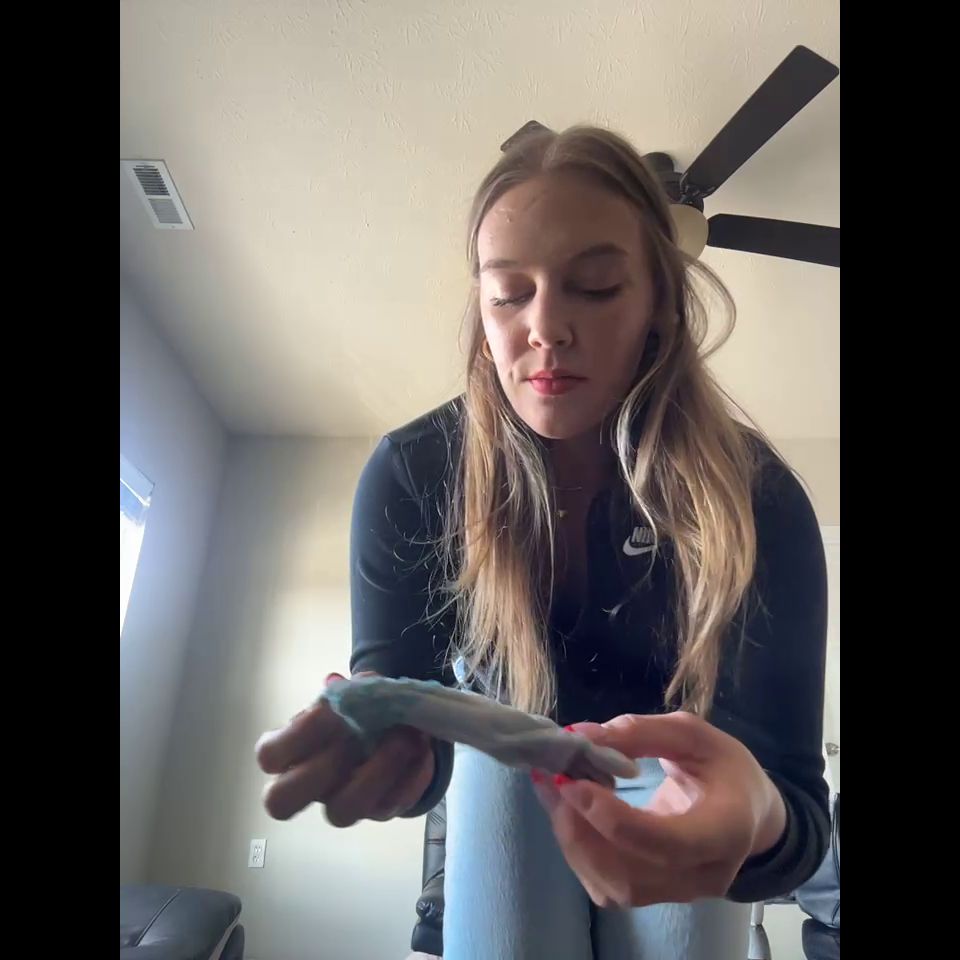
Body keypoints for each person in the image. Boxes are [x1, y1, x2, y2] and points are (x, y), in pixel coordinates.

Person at [256, 125, 830, 959]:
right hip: (500, 813)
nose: (547, 328)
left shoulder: (757, 500)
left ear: (661, 303)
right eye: (507, 294)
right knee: (505, 761)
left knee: (674, 772)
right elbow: (402, 696)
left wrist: (757, 817)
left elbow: (799, 813)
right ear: (482, 310)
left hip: (679, 803)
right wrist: (388, 739)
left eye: (595, 287)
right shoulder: (415, 474)